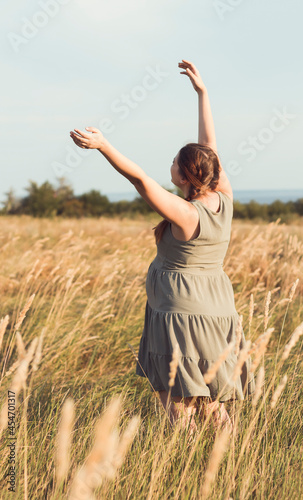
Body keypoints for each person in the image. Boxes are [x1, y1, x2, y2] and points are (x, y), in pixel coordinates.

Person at [70, 59, 255, 436]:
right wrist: (203, 94)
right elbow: (210, 149)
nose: (169, 165)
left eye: (174, 162)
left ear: (186, 176)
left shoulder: (186, 213)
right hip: (217, 313)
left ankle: (186, 471)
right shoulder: (224, 196)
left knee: (179, 404)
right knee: (211, 403)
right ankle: (230, 462)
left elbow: (140, 180)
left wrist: (104, 145)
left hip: (181, 313)